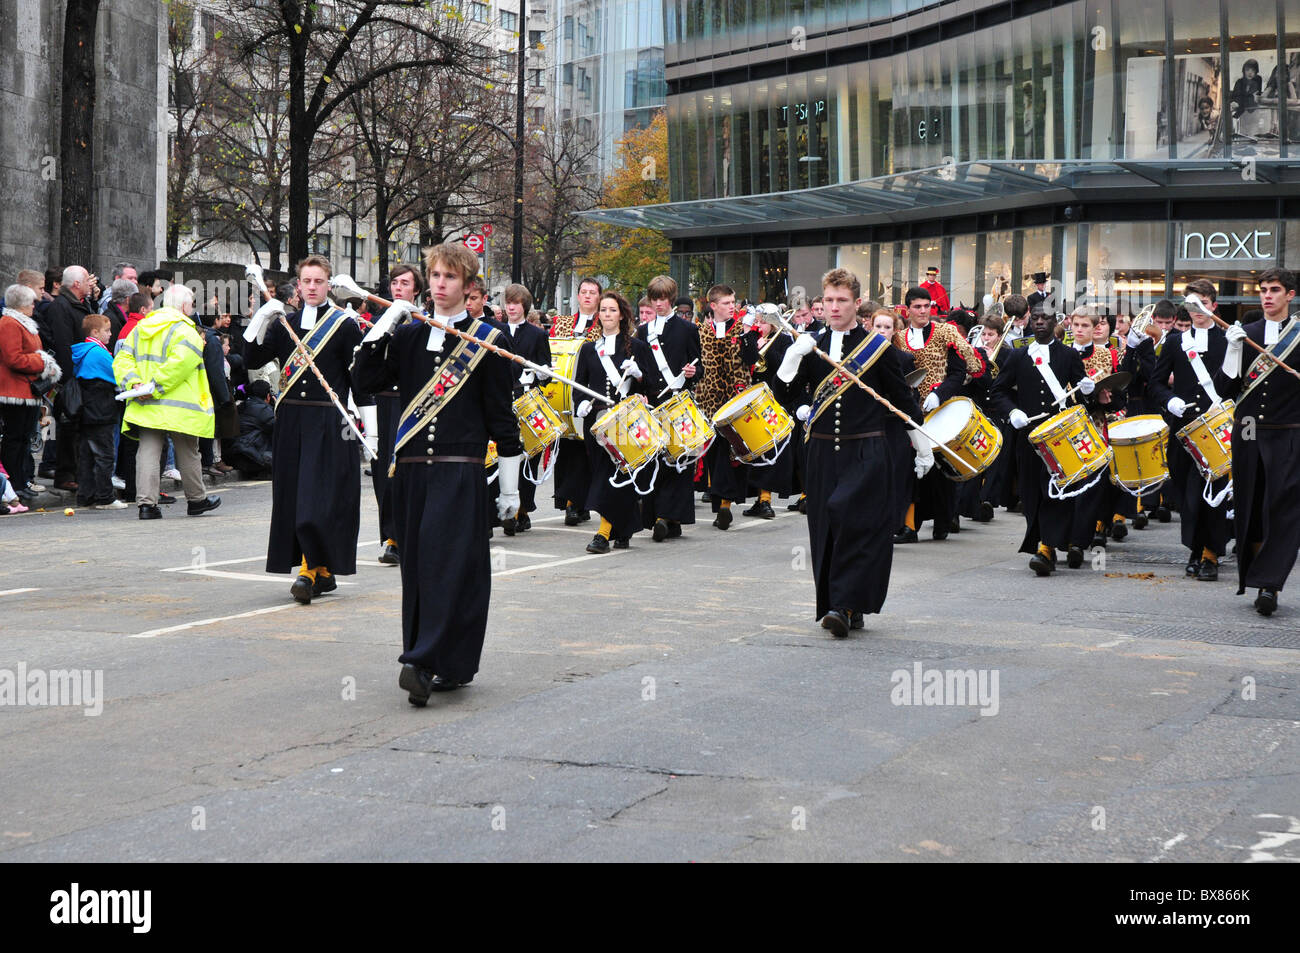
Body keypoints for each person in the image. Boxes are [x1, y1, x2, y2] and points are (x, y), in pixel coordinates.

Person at [352, 243, 523, 704]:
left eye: (450, 278)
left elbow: (500, 418)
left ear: (469, 288)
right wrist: (383, 326)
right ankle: (430, 659)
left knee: (451, 568)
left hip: (459, 473)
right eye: (435, 276)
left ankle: (425, 662)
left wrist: (509, 488)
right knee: (420, 571)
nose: (440, 285)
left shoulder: (487, 340)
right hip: (411, 475)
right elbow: (364, 381)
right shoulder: (407, 337)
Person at [774, 268, 927, 637]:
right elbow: (785, 393)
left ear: (857, 304)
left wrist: (923, 446)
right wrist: (793, 361)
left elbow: (902, 401)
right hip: (823, 453)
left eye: (842, 300)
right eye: (828, 300)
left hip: (867, 450)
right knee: (825, 525)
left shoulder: (878, 349)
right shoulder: (811, 344)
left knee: (856, 523)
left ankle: (844, 604)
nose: (834, 307)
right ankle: (839, 603)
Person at [244, 255, 361, 604]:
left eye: (318, 282)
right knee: (294, 496)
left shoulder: (344, 324)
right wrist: (260, 317)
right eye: (306, 282)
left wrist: (366, 425)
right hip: (291, 420)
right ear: (298, 285)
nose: (311, 287)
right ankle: (323, 570)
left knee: (317, 497)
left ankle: (309, 570)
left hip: (328, 421)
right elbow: (251, 359)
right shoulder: (285, 324)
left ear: (328, 285)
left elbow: (358, 380)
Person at [1214, 267, 1300, 616]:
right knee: (1251, 504)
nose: (1267, 295)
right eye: (1263, 289)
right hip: (1248, 431)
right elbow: (1225, 390)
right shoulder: (1244, 333)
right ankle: (1253, 574)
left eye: (1275, 290)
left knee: (1284, 509)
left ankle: (1270, 584)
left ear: (1290, 295)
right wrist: (1233, 352)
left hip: (1289, 432)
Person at [989, 307, 1094, 575]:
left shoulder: (1068, 355)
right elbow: (998, 390)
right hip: (1028, 436)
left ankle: (1046, 549)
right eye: (1034, 318)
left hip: (1059, 436)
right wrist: (1012, 411)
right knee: (1030, 491)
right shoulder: (1018, 355)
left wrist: (1087, 388)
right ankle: (1045, 541)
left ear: (1055, 322)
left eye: (1044, 318)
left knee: (1055, 490)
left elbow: (1081, 393)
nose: (1038, 322)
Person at [112, 284, 222, 520]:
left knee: (148, 452)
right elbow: (179, 365)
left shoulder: (141, 328)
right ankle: (196, 501)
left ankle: (146, 506)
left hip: (144, 401)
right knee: (189, 453)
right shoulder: (187, 331)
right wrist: (155, 386)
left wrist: (135, 385)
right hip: (179, 405)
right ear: (184, 306)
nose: (192, 309)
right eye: (191, 304)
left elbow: (122, 358)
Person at [892, 286, 987, 543]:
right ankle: (910, 525)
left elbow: (959, 372)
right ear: (908, 309)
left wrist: (939, 394)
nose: (923, 311)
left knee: (942, 468)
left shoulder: (946, 332)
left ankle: (945, 519)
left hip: (941, 407)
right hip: (911, 410)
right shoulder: (898, 338)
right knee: (913, 467)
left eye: (927, 306)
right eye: (918, 307)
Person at [1148, 279, 1229, 582]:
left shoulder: (1227, 341)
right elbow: (1155, 383)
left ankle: (1210, 554)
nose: (1198, 310)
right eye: (1193, 305)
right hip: (1183, 429)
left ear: (1213, 305)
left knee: (1214, 492)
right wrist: (1170, 401)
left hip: (1217, 429)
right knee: (1187, 494)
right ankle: (1196, 548)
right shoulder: (1174, 342)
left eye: (1204, 304)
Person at [573, 290, 659, 553]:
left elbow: (654, 385)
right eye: (603, 310)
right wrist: (581, 404)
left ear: (621, 314)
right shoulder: (588, 350)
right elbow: (579, 385)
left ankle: (603, 533)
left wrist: (640, 375)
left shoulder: (637, 348)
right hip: (597, 421)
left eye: (612, 310)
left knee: (614, 474)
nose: (607, 314)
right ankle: (624, 527)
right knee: (603, 472)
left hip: (625, 422)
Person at [365, 264, 423, 566]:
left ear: (416, 289)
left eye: (405, 283)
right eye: (395, 283)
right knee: (383, 472)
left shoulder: (424, 323)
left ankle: (411, 532)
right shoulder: (378, 321)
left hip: (414, 402)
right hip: (385, 402)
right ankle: (390, 537)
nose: (398, 288)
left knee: (408, 470)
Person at [637, 274, 701, 540]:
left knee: (679, 461)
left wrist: (690, 373)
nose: (659, 304)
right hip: (652, 403)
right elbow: (640, 369)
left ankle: (670, 515)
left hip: (678, 403)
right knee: (655, 460)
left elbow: (700, 369)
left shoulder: (688, 330)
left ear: (671, 299)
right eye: (655, 299)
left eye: (663, 299)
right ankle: (659, 516)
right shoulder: (642, 332)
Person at [695, 283, 758, 529]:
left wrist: (747, 335)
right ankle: (720, 502)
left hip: (735, 400)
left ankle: (726, 505)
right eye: (726, 303)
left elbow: (752, 358)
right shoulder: (701, 331)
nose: (732, 307)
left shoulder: (742, 330)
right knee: (715, 453)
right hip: (708, 401)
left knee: (733, 454)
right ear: (713, 306)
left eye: (733, 303)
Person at [0, 283, 61, 503]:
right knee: (15, 439)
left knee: (25, 438)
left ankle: (20, 481)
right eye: (31, 302)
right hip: (14, 390)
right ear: (21, 304)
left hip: (26, 389)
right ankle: (14, 484)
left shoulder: (22, 323)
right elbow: (13, 358)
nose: (34, 306)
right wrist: (42, 360)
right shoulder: (9, 323)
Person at [550, 277, 603, 524]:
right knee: (565, 450)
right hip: (561, 396)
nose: (588, 296)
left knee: (584, 450)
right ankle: (568, 501)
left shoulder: (603, 326)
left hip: (588, 395)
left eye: (593, 292)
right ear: (578, 296)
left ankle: (577, 502)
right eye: (584, 292)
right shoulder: (561, 323)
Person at [499, 281, 551, 533]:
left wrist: (539, 372)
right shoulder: (495, 331)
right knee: (504, 452)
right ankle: (505, 507)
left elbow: (547, 372)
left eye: (516, 303)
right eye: (508, 303)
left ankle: (522, 509)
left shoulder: (538, 334)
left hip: (528, 398)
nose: (511, 307)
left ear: (525, 306)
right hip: (501, 398)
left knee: (529, 456)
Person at [46, 265, 97, 491]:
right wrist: (71, 378)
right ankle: (66, 474)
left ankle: (77, 472)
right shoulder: (61, 307)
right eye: (87, 281)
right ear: (76, 284)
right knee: (68, 427)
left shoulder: (80, 304)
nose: (91, 284)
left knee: (78, 428)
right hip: (72, 378)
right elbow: (64, 344)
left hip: (84, 374)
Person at [70, 314, 128, 509]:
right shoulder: (98, 353)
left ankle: (86, 496)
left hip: (87, 410)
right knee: (105, 455)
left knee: (87, 454)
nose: (111, 334)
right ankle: (105, 497)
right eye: (107, 330)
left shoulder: (84, 350)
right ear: (95, 332)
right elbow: (118, 374)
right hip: (101, 410)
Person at [225, 379, 275, 477]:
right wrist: (277, 406)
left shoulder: (242, 406)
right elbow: (279, 430)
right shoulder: (262, 409)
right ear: (268, 396)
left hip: (235, 456)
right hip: (249, 456)